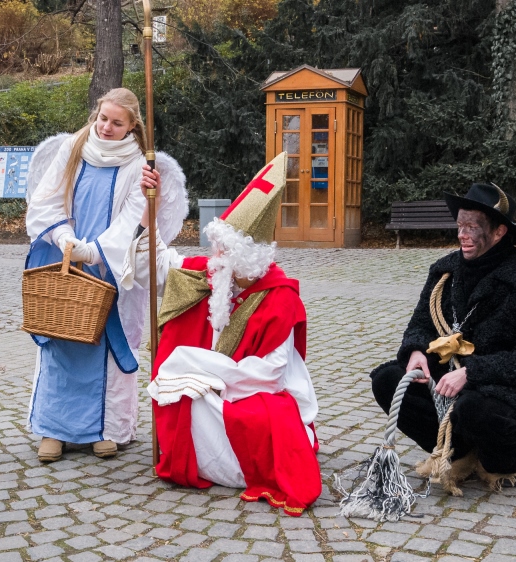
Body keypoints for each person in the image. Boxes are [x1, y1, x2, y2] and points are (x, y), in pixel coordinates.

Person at [124, 152, 323, 516]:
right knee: (182, 390)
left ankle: (220, 461)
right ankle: (203, 457)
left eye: (224, 250)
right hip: (215, 392)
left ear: (246, 259)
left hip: (258, 395)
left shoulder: (280, 300)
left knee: (255, 419)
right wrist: (147, 208)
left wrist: (201, 370)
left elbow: (269, 375)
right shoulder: (212, 275)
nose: (214, 255)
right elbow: (148, 264)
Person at [369, 183, 516, 491]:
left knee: (474, 409)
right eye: (460, 226)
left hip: (507, 391)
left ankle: (509, 460)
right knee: (387, 380)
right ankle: (458, 452)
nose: (462, 235)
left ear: (498, 233)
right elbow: (419, 324)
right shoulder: (444, 273)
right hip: (449, 381)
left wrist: (472, 373)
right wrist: (416, 351)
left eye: (472, 227)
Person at [24, 88, 156, 463]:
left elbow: (134, 218)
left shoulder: (138, 165)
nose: (107, 127)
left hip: (110, 267)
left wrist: (96, 252)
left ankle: (106, 429)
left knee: (106, 345)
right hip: (63, 260)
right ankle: (53, 428)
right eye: (103, 118)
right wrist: (65, 237)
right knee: (61, 337)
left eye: (117, 122)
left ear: (132, 125)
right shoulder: (74, 147)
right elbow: (46, 198)